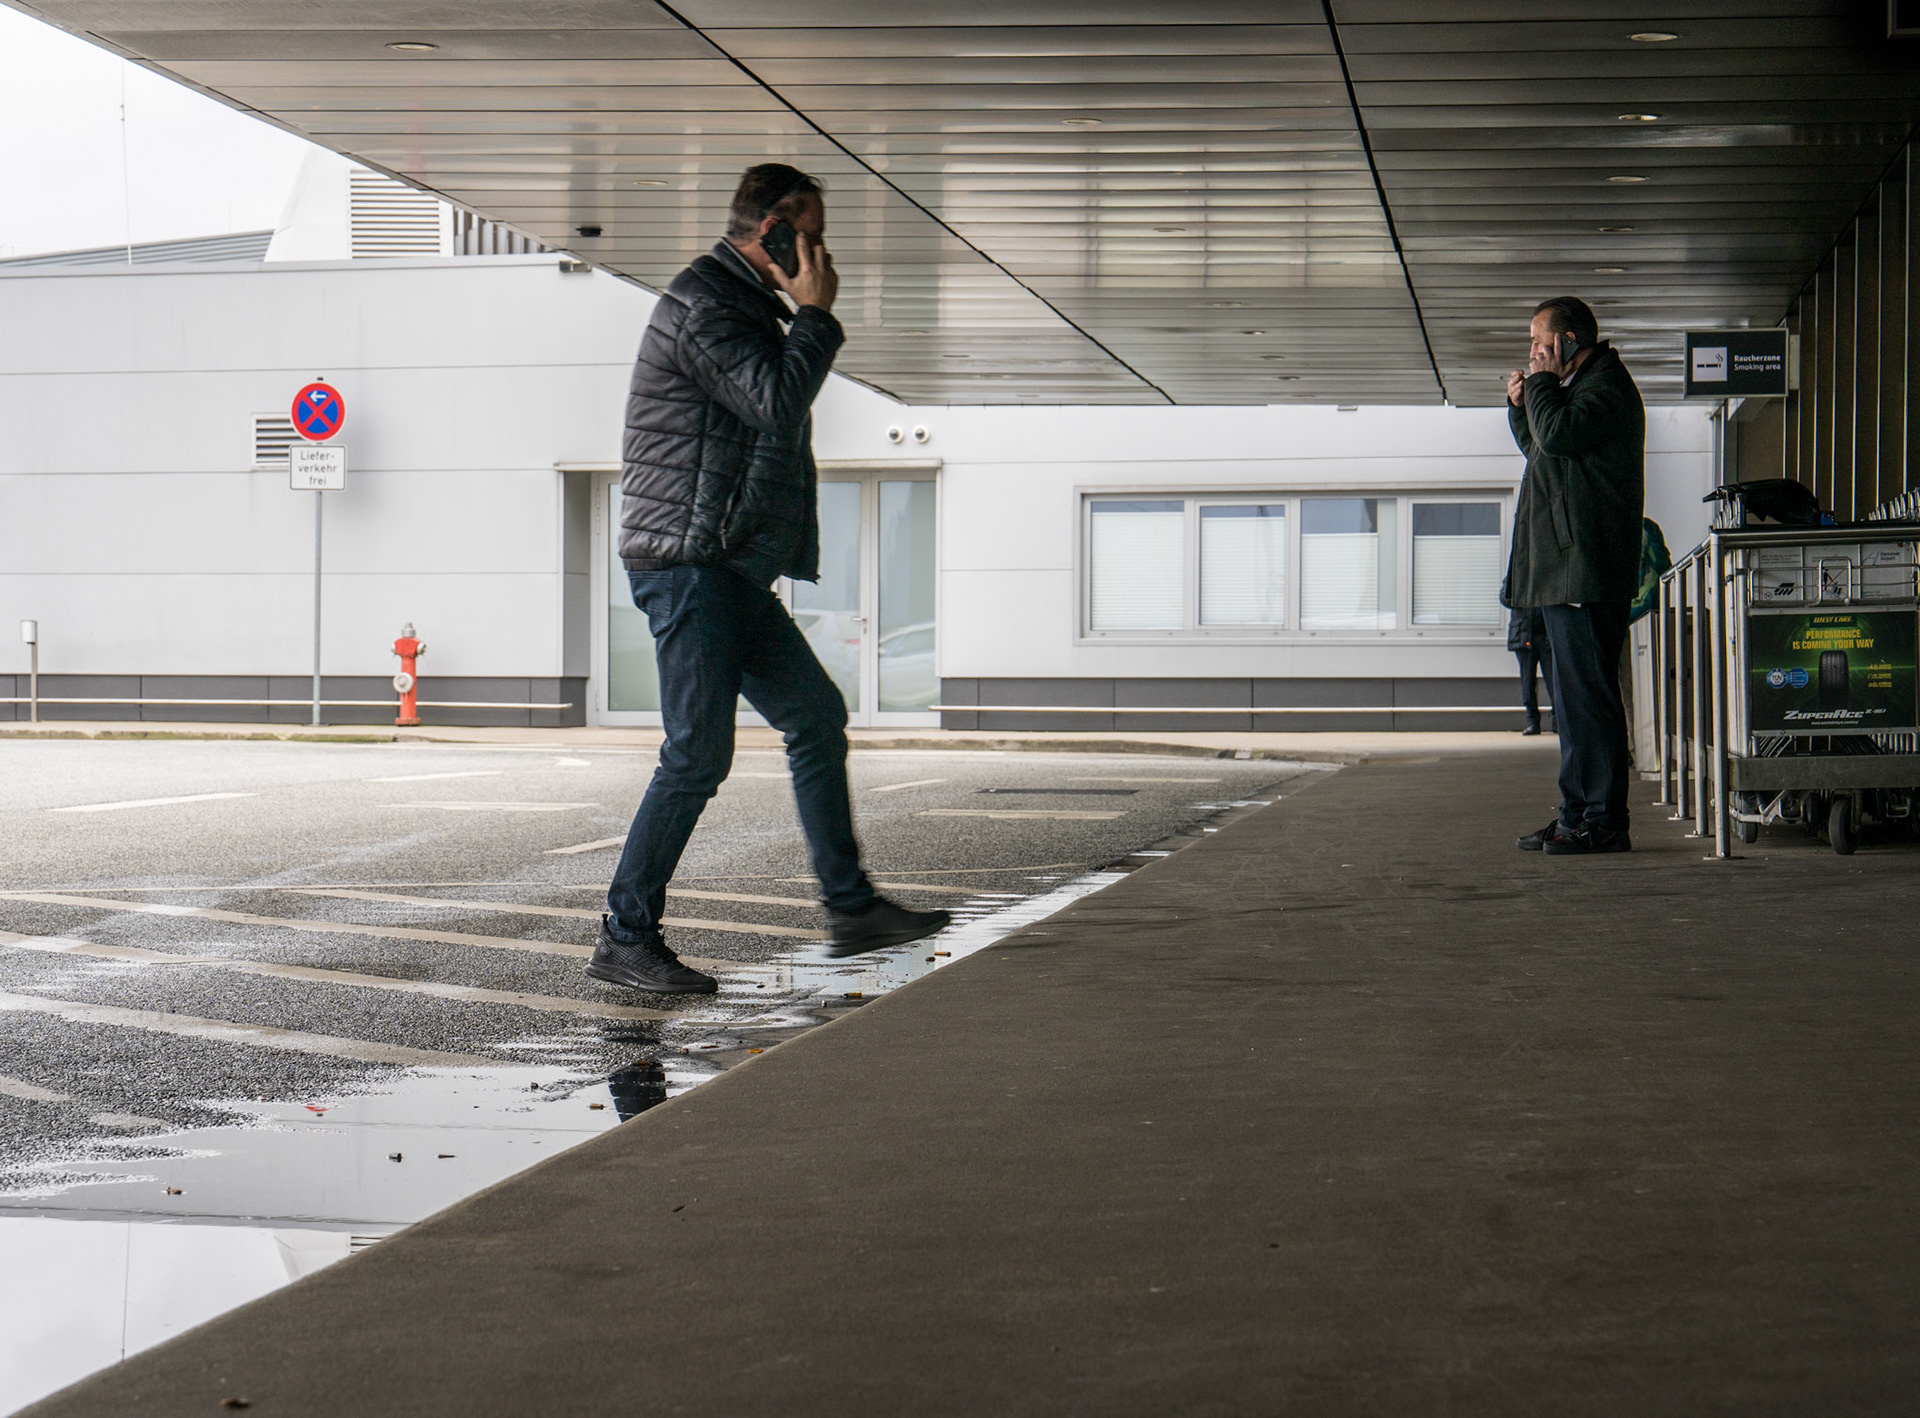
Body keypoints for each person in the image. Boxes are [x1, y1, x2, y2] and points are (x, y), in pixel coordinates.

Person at [587, 164, 950, 993]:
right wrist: (817, 314)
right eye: (811, 236)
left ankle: (851, 908)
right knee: (696, 755)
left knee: (815, 716)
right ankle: (624, 937)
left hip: (727, 565)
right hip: (688, 563)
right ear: (773, 232)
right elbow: (776, 402)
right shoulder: (705, 305)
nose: (823, 255)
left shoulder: (743, 305)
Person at [1506, 295, 1645, 855]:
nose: (1534, 354)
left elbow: (1560, 435)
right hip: (1567, 570)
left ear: (1567, 341)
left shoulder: (1605, 388)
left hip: (1586, 569)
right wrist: (1523, 407)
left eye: (1540, 342)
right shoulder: (1576, 389)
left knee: (1589, 701)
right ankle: (1575, 815)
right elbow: (1542, 450)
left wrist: (1541, 388)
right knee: (1570, 704)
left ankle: (1605, 820)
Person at [1507, 605, 1551, 736]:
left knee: (1554, 682)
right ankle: (1533, 722)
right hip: (1524, 635)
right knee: (1528, 682)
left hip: (1545, 635)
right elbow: (1505, 599)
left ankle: (1557, 721)